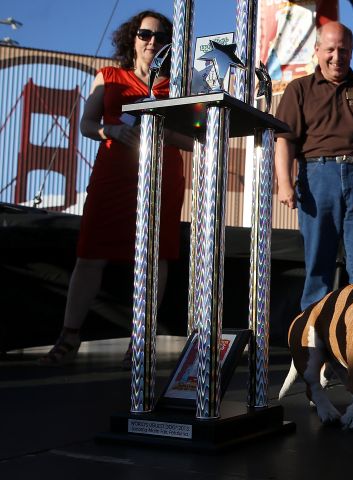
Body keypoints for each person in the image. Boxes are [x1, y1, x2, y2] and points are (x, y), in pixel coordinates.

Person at [39, 10, 192, 365]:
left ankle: (141, 342)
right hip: (112, 176)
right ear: (131, 39)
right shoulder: (109, 77)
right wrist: (112, 130)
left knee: (156, 257)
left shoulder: (177, 86)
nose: (152, 41)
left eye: (160, 35)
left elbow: (197, 137)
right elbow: (87, 124)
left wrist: (162, 133)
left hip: (161, 178)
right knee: (90, 254)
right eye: (144, 34)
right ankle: (69, 336)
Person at [274, 21, 353, 311]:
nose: (337, 56)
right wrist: (284, 182)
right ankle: (313, 338)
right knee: (319, 261)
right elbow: (284, 140)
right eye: (330, 49)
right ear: (317, 51)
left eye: (343, 49)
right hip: (317, 177)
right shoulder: (300, 89)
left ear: (352, 52)